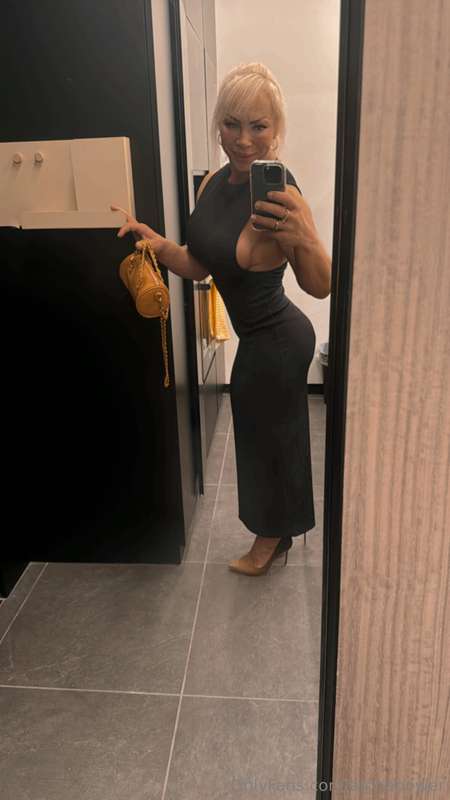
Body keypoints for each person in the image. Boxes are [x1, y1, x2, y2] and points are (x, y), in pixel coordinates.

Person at [113, 62, 331, 577]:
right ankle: (279, 532)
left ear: (276, 129)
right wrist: (157, 243)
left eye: (258, 125)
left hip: (278, 336)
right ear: (218, 124)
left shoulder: (281, 193)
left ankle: (270, 537)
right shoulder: (213, 183)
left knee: (268, 441)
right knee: (265, 436)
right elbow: (200, 264)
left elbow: (320, 285)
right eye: (232, 123)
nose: (244, 139)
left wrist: (305, 234)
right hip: (255, 336)